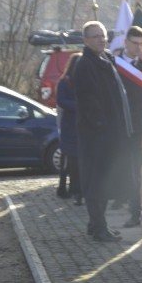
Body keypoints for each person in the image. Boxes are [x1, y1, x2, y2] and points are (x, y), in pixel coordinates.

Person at [73, 21, 133, 243]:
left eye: (103, 35)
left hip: (111, 133)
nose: (101, 39)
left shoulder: (106, 59)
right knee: (96, 182)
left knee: (105, 182)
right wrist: (102, 126)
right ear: (86, 40)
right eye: (95, 36)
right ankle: (99, 228)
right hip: (97, 137)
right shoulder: (85, 64)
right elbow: (88, 101)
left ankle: (96, 223)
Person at [114, 25, 142, 228]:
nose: (139, 48)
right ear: (126, 43)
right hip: (126, 124)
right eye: (135, 43)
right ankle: (135, 212)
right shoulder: (115, 64)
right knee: (133, 170)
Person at [56, 52, 83, 204]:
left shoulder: (84, 82)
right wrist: (78, 106)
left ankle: (78, 190)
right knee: (69, 160)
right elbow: (61, 101)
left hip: (82, 125)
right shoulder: (64, 82)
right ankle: (67, 189)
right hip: (69, 126)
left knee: (80, 161)